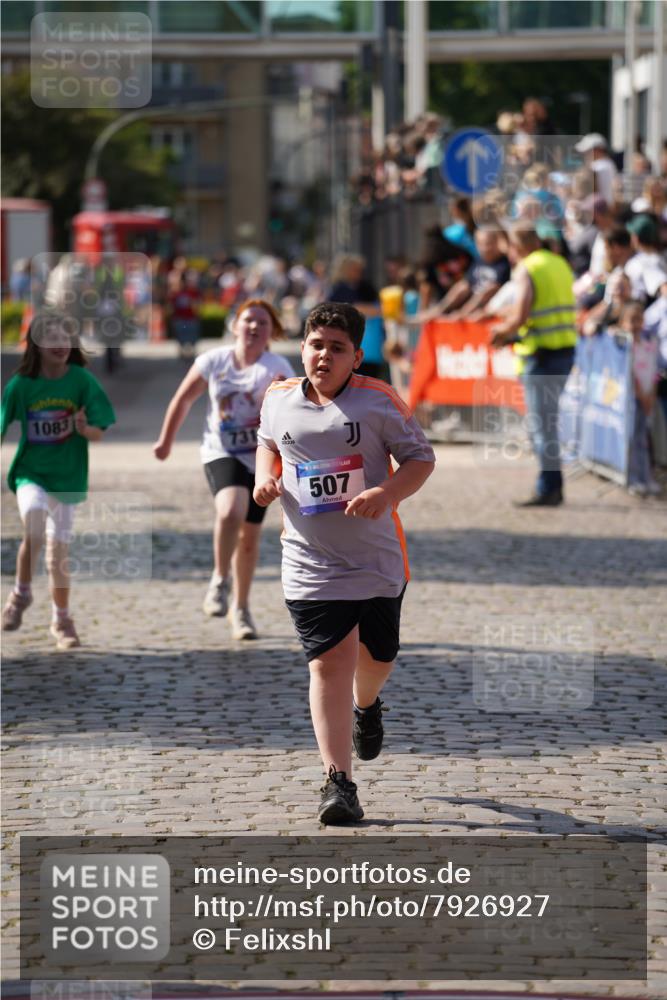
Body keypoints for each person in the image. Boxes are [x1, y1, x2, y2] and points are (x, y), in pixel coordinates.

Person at [253, 302, 435, 824]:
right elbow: (267, 444)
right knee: (328, 663)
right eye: (316, 345)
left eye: (337, 348)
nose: (324, 356)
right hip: (308, 558)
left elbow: (421, 458)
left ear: (356, 356)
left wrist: (387, 492)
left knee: (377, 659)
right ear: (302, 349)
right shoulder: (278, 398)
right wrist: (265, 478)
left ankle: (367, 705)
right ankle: (339, 783)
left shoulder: (378, 401)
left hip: (375, 558)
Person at [153, 299, 295, 640]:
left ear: (272, 332)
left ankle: (241, 609)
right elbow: (183, 399)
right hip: (221, 451)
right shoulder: (214, 360)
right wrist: (165, 441)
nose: (254, 326)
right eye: (248, 320)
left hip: (261, 458)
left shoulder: (277, 366)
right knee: (231, 509)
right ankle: (220, 579)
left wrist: (281, 396)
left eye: (263, 322)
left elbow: (296, 411)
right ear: (235, 326)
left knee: (249, 539)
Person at [1, 313, 116, 649]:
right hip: (31, 473)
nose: (61, 344)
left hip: (68, 477)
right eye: (51, 338)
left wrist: (84, 428)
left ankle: (61, 619)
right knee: (34, 529)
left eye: (66, 338)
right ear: (35, 345)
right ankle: (20, 595)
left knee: (57, 553)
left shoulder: (81, 381)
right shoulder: (22, 385)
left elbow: (99, 432)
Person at [490, 225, 577, 506]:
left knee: (542, 426)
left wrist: (501, 331)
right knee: (546, 423)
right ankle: (552, 486)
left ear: (517, 246)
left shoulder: (527, 267)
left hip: (541, 355)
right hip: (564, 350)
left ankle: (549, 489)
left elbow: (521, 314)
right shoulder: (558, 262)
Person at [618, 301, 661, 496]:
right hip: (632, 400)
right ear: (623, 322)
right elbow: (630, 374)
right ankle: (634, 478)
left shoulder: (648, 344)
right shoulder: (623, 345)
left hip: (647, 397)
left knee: (644, 439)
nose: (636, 325)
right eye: (631, 320)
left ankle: (646, 476)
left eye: (639, 320)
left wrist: (650, 394)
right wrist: (642, 395)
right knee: (632, 439)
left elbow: (653, 370)